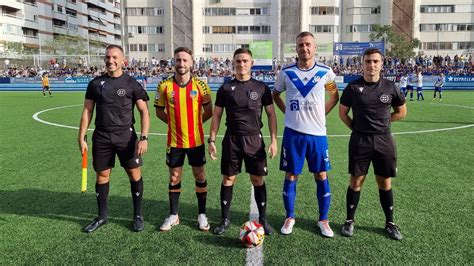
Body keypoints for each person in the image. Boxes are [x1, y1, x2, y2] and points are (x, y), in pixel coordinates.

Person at [272, 31, 339, 237]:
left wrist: (322, 113)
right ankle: (290, 216)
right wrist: (287, 112)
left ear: (315, 47)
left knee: (321, 174)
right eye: (301, 45)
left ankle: (323, 219)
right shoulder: (286, 73)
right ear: (297, 48)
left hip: (317, 135)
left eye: (308, 44)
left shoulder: (326, 72)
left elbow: (334, 96)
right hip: (293, 134)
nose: (305, 48)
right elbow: (275, 94)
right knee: (291, 174)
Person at [78, 44, 150, 233]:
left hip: (126, 136)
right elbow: (87, 111)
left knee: (134, 173)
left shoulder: (131, 83)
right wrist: (82, 137)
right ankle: (102, 217)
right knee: (102, 175)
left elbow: (144, 111)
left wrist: (144, 137)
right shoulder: (95, 83)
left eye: (114, 57)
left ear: (123, 60)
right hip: (101, 136)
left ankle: (138, 215)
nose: (110, 61)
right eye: (108, 57)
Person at [339, 48, 407, 240]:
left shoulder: (391, 87)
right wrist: (358, 128)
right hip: (360, 140)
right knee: (356, 181)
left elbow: (401, 112)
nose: (372, 65)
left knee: (384, 182)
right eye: (368, 61)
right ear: (362, 63)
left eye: (376, 61)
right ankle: (350, 220)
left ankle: (390, 222)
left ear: (381, 64)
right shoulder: (352, 88)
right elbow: (343, 114)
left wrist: (383, 123)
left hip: (384, 140)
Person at [209, 48, 277, 235]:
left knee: (257, 179)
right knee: (228, 178)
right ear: (233, 63)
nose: (241, 64)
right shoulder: (225, 88)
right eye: (238, 61)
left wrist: (273, 140)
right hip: (232, 139)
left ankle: (262, 219)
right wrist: (212, 139)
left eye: (245, 61)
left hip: (255, 139)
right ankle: (224, 219)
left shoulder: (261, 88)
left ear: (251, 63)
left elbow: (271, 114)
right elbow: (216, 115)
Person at [155, 47, 213, 231]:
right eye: (178, 60)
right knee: (174, 177)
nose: (181, 64)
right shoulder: (164, 86)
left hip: (196, 141)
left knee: (200, 175)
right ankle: (173, 215)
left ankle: (202, 214)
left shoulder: (201, 86)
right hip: (174, 142)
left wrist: (196, 124)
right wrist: (174, 124)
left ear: (191, 63)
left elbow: (209, 111)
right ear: (174, 62)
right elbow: (158, 111)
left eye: (185, 60)